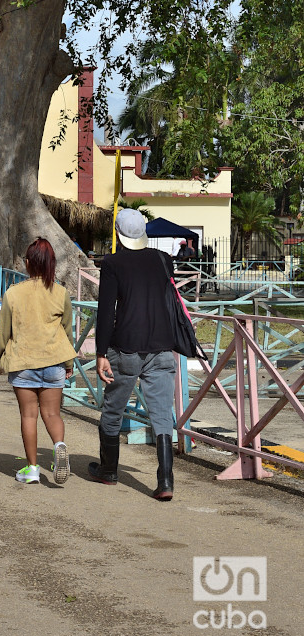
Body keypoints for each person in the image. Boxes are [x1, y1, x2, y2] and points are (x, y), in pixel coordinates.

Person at [90, 208, 179, 501]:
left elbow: (106, 311)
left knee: (114, 409)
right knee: (162, 414)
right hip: (163, 345)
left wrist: (101, 352)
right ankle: (165, 481)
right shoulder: (163, 260)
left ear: (117, 233)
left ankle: (109, 470)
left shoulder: (113, 263)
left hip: (125, 346)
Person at [0, 238, 76, 485]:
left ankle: (32, 469)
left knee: (29, 416)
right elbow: (67, 332)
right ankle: (59, 445)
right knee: (52, 413)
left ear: (27, 264)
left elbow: (3, 333)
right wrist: (68, 364)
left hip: (23, 362)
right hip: (55, 361)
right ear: (51, 264)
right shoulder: (61, 293)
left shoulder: (13, 293)